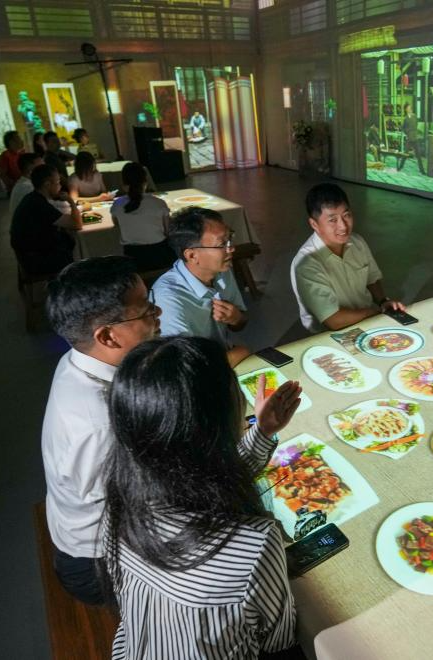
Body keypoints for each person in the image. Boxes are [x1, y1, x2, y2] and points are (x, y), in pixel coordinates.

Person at [103, 336, 301, 659]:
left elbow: (198, 480)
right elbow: (279, 641)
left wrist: (263, 431)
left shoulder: (121, 499)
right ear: (217, 425)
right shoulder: (254, 546)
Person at [41, 256, 162, 605]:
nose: (157, 313)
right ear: (107, 336)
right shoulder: (99, 424)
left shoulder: (80, 359)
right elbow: (147, 507)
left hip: (100, 527)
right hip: (100, 563)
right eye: (145, 309)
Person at [291, 182, 406, 332]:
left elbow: (371, 278)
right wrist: (373, 313)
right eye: (332, 220)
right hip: (331, 335)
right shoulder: (306, 264)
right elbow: (333, 321)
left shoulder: (357, 242)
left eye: (347, 215)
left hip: (367, 321)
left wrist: (383, 302)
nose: (343, 226)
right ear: (314, 224)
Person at [153, 207, 250, 366]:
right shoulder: (168, 299)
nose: (231, 248)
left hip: (220, 361)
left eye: (230, 238)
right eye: (222, 244)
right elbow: (184, 368)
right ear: (192, 255)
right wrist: (238, 353)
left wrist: (236, 318)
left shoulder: (221, 271)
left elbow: (241, 322)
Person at [10, 164, 82, 275]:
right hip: (37, 259)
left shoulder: (32, 198)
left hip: (29, 254)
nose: (60, 186)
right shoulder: (39, 205)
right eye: (57, 182)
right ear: (47, 184)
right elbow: (77, 224)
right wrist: (71, 202)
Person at [110, 162, 173, 271]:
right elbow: (167, 231)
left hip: (133, 257)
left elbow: (117, 225)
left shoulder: (117, 204)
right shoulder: (158, 203)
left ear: (124, 184)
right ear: (145, 182)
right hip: (160, 256)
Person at [396, 103, 425, 174]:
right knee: (405, 154)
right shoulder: (406, 118)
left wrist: (414, 132)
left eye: (410, 108)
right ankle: (400, 167)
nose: (409, 109)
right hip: (409, 138)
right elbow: (403, 128)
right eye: (408, 108)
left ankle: (422, 170)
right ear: (406, 109)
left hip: (415, 138)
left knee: (418, 155)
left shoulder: (415, 116)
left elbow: (416, 125)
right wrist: (407, 132)